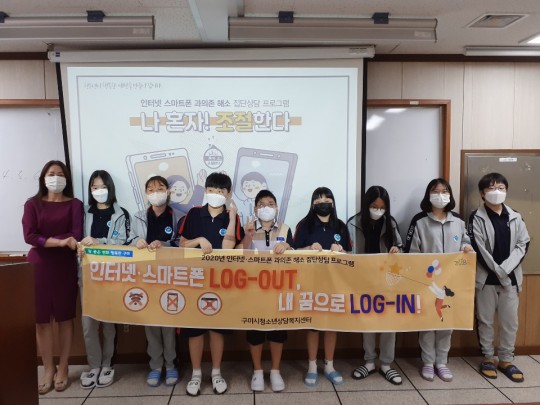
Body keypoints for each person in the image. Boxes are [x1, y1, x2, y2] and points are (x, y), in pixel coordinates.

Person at [178, 172, 245, 396]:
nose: (215, 194)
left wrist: (233, 217)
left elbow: (228, 248)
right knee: (195, 330)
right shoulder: (194, 213)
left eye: (220, 191)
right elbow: (182, 244)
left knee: (217, 329)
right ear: (206, 190)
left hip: (221, 280)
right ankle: (196, 374)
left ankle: (216, 372)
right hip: (194, 279)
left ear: (228, 194)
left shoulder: (231, 217)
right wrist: (198, 240)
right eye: (211, 190)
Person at [22, 160, 84, 395]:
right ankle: (48, 368)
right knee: (41, 320)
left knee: (65, 317)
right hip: (38, 266)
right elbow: (30, 236)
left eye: (60, 174)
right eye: (51, 173)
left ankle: (64, 366)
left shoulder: (75, 204)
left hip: (64, 266)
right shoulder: (32, 204)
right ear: (43, 178)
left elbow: (76, 234)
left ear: (66, 179)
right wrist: (60, 241)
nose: (55, 177)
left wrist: (50, 240)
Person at [404, 178, 474, 383]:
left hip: (452, 282)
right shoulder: (419, 220)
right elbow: (411, 251)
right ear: (428, 195)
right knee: (427, 322)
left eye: (445, 191)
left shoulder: (458, 220)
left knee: (446, 322)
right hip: (427, 282)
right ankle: (427, 361)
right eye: (435, 191)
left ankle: (442, 362)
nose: (440, 195)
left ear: (450, 195)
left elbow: (465, 240)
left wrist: (466, 247)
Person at [468, 173, 530, 383]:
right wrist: (498, 271)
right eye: (491, 188)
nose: (497, 192)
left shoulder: (516, 216)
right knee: (485, 321)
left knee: (510, 322)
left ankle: (506, 360)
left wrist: (505, 270)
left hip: (510, 280)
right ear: (482, 193)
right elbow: (479, 249)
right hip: (485, 280)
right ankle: (487, 358)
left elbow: (523, 244)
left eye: (501, 188)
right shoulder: (475, 217)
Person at [292, 187, 352, 387]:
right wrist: (309, 249)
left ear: (333, 203)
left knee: (330, 325)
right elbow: (294, 252)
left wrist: (341, 250)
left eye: (327, 199)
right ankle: (311, 366)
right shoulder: (304, 225)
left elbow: (350, 255)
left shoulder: (341, 226)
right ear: (312, 204)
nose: (323, 203)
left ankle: (329, 365)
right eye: (318, 200)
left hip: (334, 283)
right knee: (313, 326)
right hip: (311, 283)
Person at [78, 170, 130, 389]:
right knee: (88, 324)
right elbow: (76, 240)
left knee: (109, 322)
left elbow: (122, 242)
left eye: (103, 187)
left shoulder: (121, 213)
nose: (99, 191)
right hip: (87, 275)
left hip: (111, 275)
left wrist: (98, 241)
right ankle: (94, 366)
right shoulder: (83, 213)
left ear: (110, 188)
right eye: (94, 187)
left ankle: (108, 364)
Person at [346, 185, 403, 385]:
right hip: (363, 281)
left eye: (382, 207)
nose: (378, 210)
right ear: (366, 205)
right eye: (374, 206)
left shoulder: (391, 223)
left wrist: (397, 251)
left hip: (387, 281)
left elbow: (400, 249)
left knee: (389, 323)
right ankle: (369, 361)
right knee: (367, 322)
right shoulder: (353, 223)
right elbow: (348, 252)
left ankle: (386, 363)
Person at [130, 175, 183, 387]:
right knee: (150, 320)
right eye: (151, 189)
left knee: (168, 321)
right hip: (146, 274)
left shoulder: (178, 216)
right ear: (146, 193)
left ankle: (171, 365)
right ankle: (155, 366)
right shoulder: (138, 216)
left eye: (160, 188)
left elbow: (181, 242)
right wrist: (137, 241)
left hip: (170, 274)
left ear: (168, 191)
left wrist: (164, 244)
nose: (156, 192)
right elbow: (129, 240)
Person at [241, 189, 293, 392]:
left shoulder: (285, 229)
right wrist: (247, 237)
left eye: (270, 204)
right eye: (261, 204)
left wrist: (287, 246)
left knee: (277, 331)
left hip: (279, 289)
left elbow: (297, 258)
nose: (266, 208)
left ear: (277, 208)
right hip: (253, 289)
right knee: (255, 331)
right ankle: (257, 371)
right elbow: (237, 256)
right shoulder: (248, 228)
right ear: (255, 209)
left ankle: (275, 371)